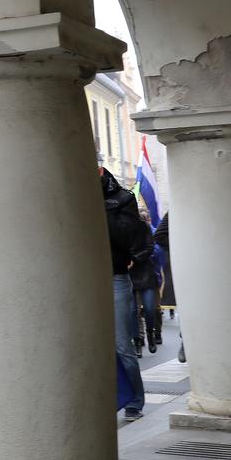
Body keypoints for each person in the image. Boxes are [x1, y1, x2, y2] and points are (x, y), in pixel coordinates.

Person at [104, 168, 153, 421]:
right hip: (84, 278)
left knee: (122, 344)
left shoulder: (122, 198)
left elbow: (126, 237)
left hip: (115, 277)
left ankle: (135, 399)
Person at [130, 225, 163, 355]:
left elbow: (150, 247)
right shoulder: (119, 226)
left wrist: (134, 258)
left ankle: (150, 333)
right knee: (132, 311)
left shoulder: (143, 227)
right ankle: (137, 340)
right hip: (128, 273)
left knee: (150, 309)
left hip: (145, 272)